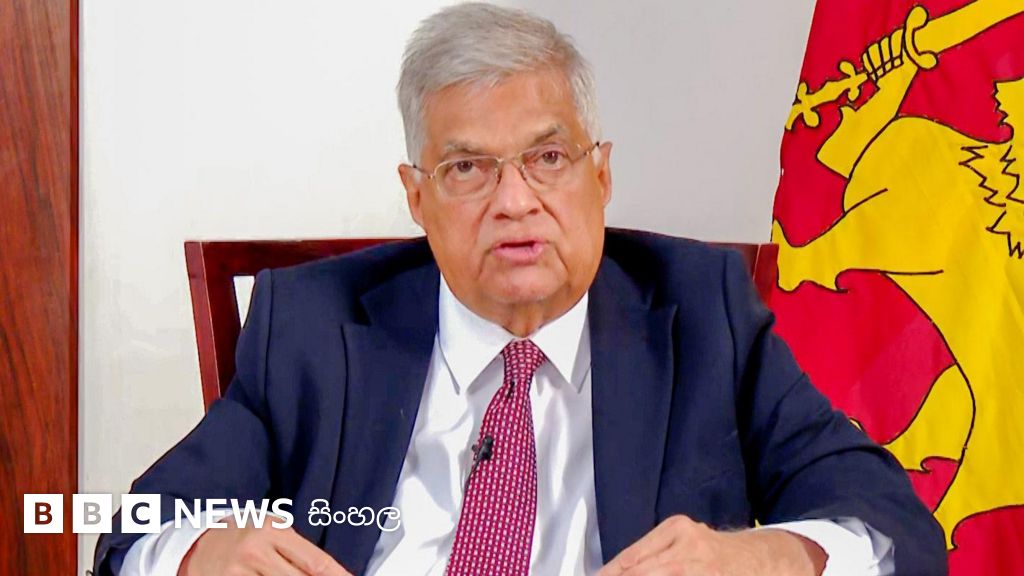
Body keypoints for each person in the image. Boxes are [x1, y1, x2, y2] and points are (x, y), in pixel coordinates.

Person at [93, 3, 946, 575]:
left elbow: (895, 528)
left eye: (548, 157)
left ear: (601, 175)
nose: (514, 202)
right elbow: (132, 532)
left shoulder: (702, 313)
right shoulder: (316, 328)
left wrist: (763, 559)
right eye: (467, 167)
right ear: (416, 197)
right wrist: (199, 553)